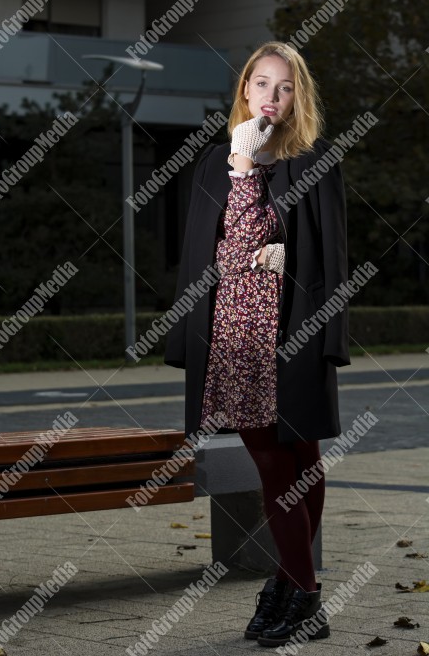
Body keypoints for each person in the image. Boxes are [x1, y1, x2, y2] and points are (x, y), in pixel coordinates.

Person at [164, 41, 350, 648]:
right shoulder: (220, 159)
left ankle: (289, 587)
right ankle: (304, 593)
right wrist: (244, 177)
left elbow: (327, 256)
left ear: (299, 98)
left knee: (303, 458)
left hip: (293, 327)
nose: (271, 96)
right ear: (245, 89)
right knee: (272, 461)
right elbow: (215, 248)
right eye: (262, 83)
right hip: (237, 330)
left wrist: (278, 258)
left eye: (285, 87)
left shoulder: (314, 158)